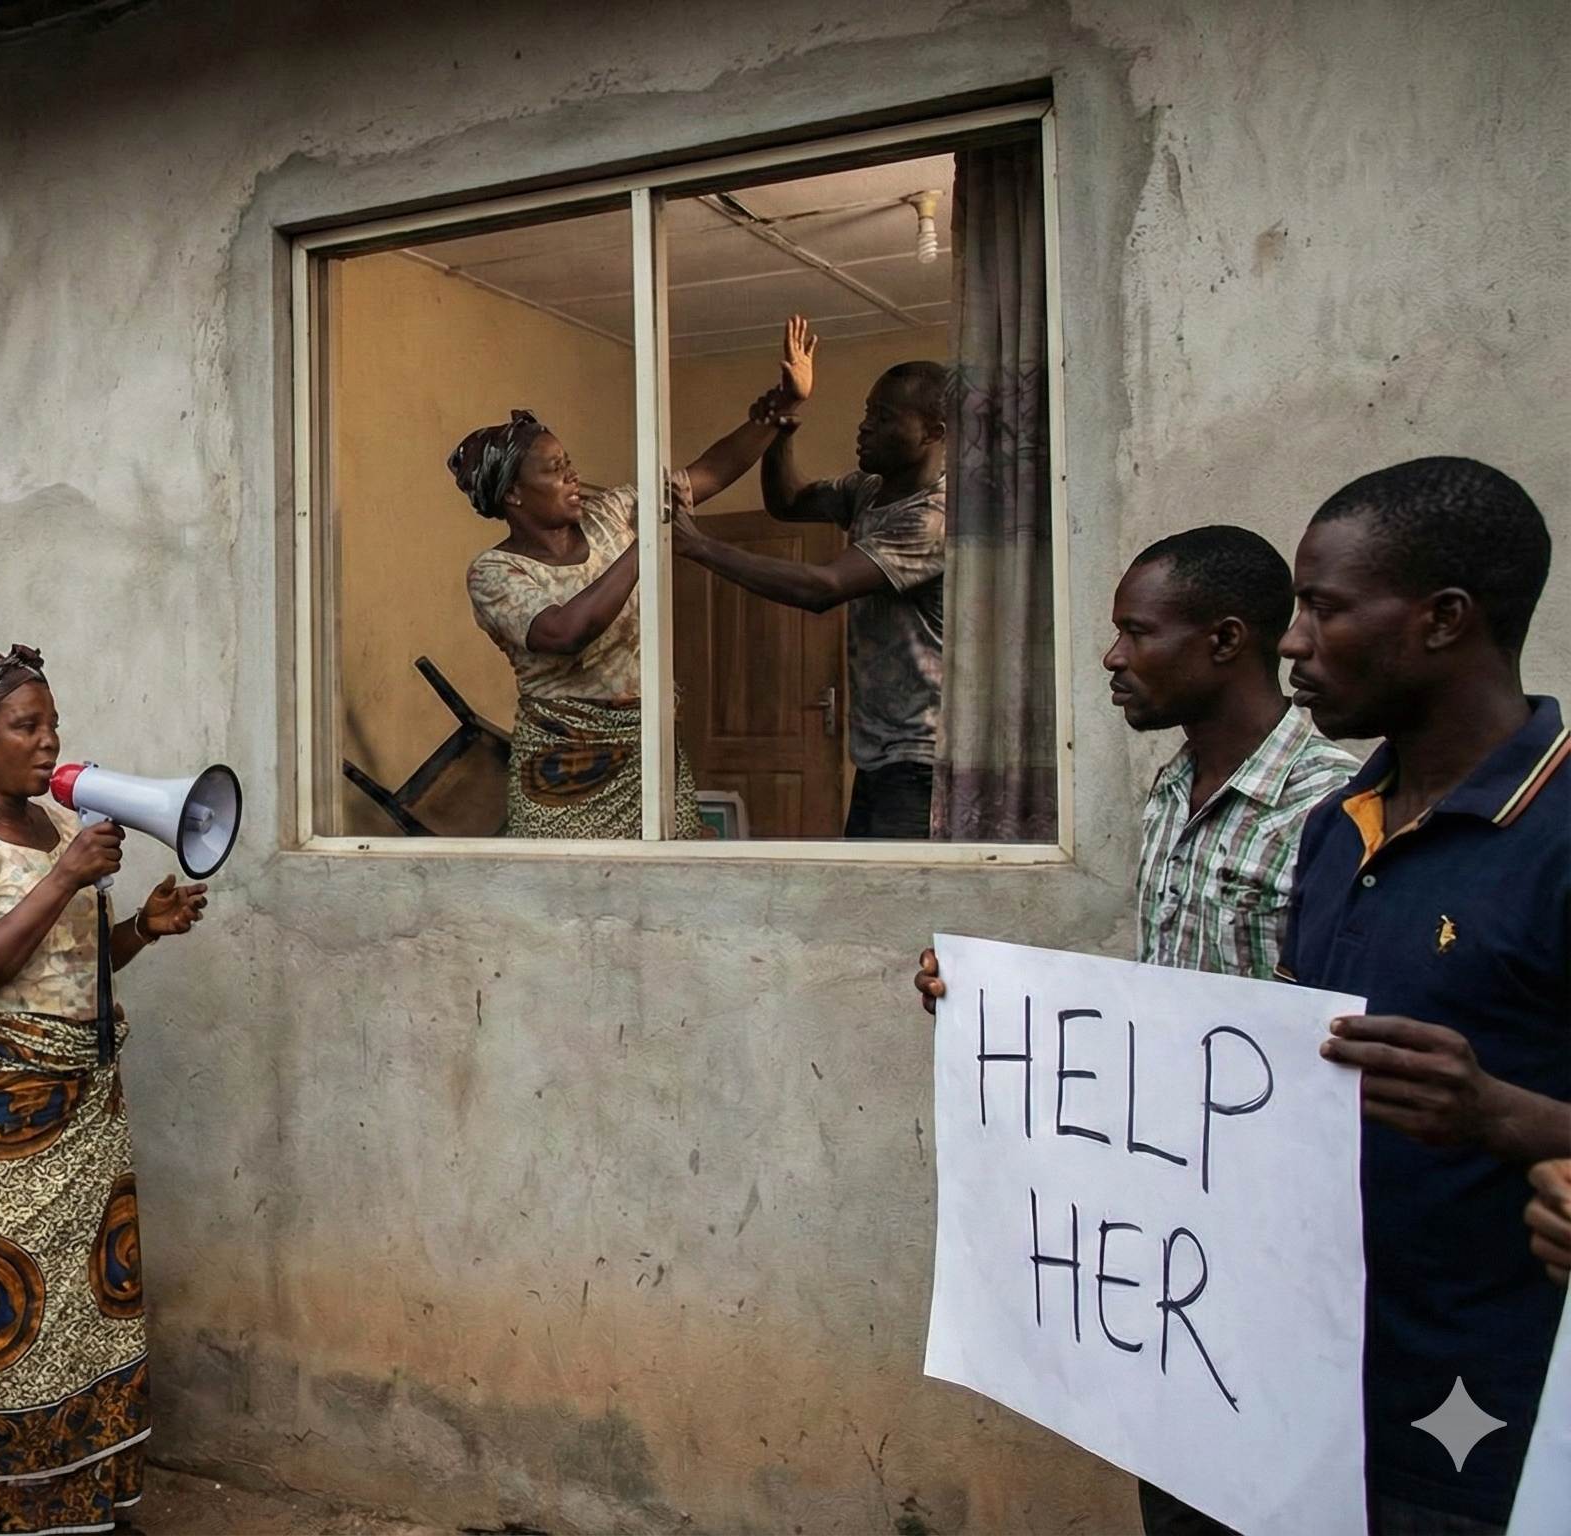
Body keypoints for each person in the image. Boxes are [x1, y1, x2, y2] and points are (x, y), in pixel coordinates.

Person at [911, 525, 1354, 1534]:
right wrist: (985, 1003)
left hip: (1283, 1249)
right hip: (1179, 1257)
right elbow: (1169, 1006)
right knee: (1180, 1497)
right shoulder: (1168, 790)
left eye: (1131, 632)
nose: (1109, 657)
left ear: (1224, 640)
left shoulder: (1328, 806)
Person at [1274, 458, 1571, 1534]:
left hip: (1497, 1424)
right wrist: (985, 1011)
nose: (1290, 641)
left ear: (1443, 620)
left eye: (1322, 607)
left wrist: (1503, 1116)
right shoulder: (1331, 825)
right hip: (1316, 1390)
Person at [0, 646, 208, 1535]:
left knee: (86, 1314)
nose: (49, 742)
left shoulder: (62, 831)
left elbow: (69, 969)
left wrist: (141, 926)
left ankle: (85, 1495)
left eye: (52, 723)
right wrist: (67, 879)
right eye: (27, 726)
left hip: (83, 1114)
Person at [669, 315, 952, 839]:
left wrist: (700, 547)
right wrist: (780, 432)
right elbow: (788, 504)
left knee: (887, 902)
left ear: (933, 432)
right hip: (879, 754)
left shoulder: (934, 515)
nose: (865, 427)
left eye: (884, 418)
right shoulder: (870, 490)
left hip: (922, 758)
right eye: (868, 413)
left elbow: (824, 588)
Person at [452, 399, 781, 838]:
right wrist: (648, 540)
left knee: (665, 886)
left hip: (650, 755)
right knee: (567, 892)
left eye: (568, 463)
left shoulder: (614, 512)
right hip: (563, 770)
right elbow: (567, 631)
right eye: (553, 469)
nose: (572, 475)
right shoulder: (495, 572)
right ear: (513, 493)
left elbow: (709, 472)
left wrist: (779, 409)